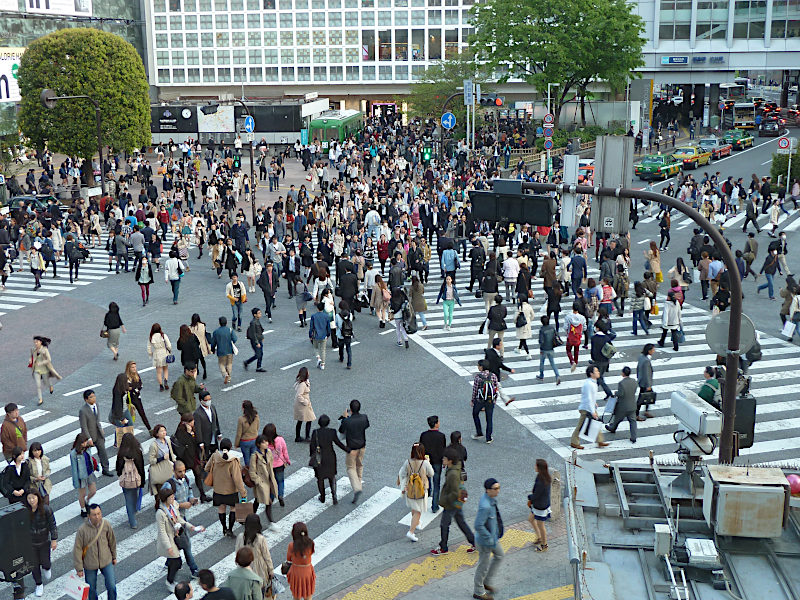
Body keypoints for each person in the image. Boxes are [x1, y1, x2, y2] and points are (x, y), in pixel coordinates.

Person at [156, 486, 204, 592]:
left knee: (175, 561)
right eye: (171, 497)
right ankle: (169, 581)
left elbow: (179, 519)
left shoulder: (173, 506)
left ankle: (171, 579)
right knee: (176, 561)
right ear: (165, 499)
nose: (173, 498)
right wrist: (168, 547)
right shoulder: (160, 513)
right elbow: (162, 532)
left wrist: (191, 527)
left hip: (176, 536)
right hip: (169, 539)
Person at [431, 447, 475, 556]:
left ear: (450, 460)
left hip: (451, 503)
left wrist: (445, 500)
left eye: (444, 458)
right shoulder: (454, 468)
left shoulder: (452, 474)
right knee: (461, 522)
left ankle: (443, 547)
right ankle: (474, 542)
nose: (443, 460)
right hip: (456, 502)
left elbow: (454, 492)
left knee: (444, 525)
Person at [72, 504, 117, 600]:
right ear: (88, 516)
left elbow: (112, 541)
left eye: (99, 514)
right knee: (91, 590)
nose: (97, 517)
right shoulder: (82, 530)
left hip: (106, 560)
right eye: (94, 515)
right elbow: (78, 549)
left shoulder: (106, 524)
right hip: (90, 564)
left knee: (112, 586)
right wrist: (79, 568)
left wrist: (114, 556)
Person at [205, 438, 247, 537]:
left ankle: (224, 528)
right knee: (233, 508)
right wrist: (243, 492)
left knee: (221, 508)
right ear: (230, 447)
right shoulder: (233, 460)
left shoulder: (215, 456)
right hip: (231, 490)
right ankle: (230, 529)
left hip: (218, 489)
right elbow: (237, 479)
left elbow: (207, 468)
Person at [473, 478, 504, 600]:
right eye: (495, 488)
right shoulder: (485, 506)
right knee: (483, 566)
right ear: (488, 490)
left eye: (499, 487)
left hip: (493, 538)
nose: (498, 491)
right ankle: (478, 591)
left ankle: (486, 581)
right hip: (485, 541)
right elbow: (478, 525)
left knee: (500, 555)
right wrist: (489, 538)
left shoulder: (491, 500)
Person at [399, 443, 434, 542]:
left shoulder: (408, 462)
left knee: (414, 507)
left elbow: (402, 474)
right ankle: (411, 531)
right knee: (418, 511)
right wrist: (428, 463)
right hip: (421, 489)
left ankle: (417, 523)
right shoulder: (425, 463)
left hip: (409, 488)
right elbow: (431, 473)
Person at [25, 487, 58, 597]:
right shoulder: (24, 511)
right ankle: (38, 584)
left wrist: (54, 539)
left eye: (33, 498)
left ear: (38, 498)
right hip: (30, 544)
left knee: (45, 562)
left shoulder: (46, 509)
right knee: (34, 566)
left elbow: (53, 525)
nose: (31, 501)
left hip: (44, 542)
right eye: (29, 498)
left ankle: (47, 567)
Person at [309, 414, 347, 504]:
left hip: (320, 458)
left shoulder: (316, 432)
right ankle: (334, 495)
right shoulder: (332, 432)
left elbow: (312, 446)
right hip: (330, 457)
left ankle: (322, 497)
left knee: (320, 478)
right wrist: (347, 449)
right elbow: (338, 443)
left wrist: (312, 455)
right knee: (332, 476)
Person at [569, 366, 609, 450]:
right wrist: (592, 411)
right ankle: (574, 442)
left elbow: (591, 397)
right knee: (581, 426)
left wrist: (594, 403)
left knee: (595, 423)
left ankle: (600, 441)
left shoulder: (593, 382)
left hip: (589, 407)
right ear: (591, 374)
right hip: (586, 408)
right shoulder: (589, 384)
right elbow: (588, 398)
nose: (598, 372)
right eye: (596, 371)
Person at [172, 413, 209, 503]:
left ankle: (202, 495)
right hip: (185, 457)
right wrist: (189, 433)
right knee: (181, 476)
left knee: (198, 474)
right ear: (185, 423)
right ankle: (180, 497)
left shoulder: (193, 428)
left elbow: (195, 441)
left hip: (193, 456)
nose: (193, 423)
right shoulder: (180, 432)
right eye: (191, 422)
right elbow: (187, 443)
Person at [235, 517, 274, 599]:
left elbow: (237, 553)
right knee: (260, 593)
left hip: (244, 570)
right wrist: (271, 570)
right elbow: (266, 556)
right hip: (259, 570)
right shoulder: (260, 539)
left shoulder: (240, 537)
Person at [338, 398, 369, 504]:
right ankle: (358, 484)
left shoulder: (347, 421)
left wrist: (344, 418)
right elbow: (366, 425)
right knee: (359, 465)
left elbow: (341, 430)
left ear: (350, 409)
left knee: (350, 467)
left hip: (351, 448)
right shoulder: (364, 418)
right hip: (362, 445)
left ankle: (357, 488)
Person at [79, 389, 114, 476]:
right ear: (86, 399)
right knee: (85, 453)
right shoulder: (83, 411)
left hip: (98, 434)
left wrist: (100, 428)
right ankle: (84, 469)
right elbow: (84, 426)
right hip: (89, 435)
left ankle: (106, 468)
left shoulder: (96, 405)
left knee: (103, 452)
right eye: (91, 397)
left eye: (94, 396)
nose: (93, 398)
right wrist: (88, 438)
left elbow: (97, 419)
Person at [116, 432, 146, 529]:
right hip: (136, 479)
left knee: (128, 499)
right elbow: (141, 467)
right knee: (135, 496)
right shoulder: (137, 452)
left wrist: (120, 474)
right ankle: (134, 510)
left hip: (126, 480)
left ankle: (132, 522)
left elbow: (118, 467)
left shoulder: (121, 453)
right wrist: (142, 479)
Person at [111, 361, 151, 432]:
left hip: (137, 398)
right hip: (128, 400)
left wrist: (132, 388)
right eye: (132, 367)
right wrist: (133, 388)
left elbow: (140, 386)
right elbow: (127, 388)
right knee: (128, 419)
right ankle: (125, 433)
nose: (134, 369)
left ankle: (149, 429)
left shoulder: (136, 375)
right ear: (128, 368)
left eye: (135, 367)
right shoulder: (124, 377)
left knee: (142, 413)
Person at [249, 435, 280, 526]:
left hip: (269, 480)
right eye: (263, 442)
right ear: (258, 444)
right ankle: (269, 521)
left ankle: (253, 518)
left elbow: (270, 466)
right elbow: (252, 472)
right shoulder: (255, 456)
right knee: (264, 501)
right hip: (261, 482)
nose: (266, 443)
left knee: (262, 501)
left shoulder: (269, 452)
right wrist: (258, 482)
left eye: (266, 441)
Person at [420, 415, 447, 513]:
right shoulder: (441, 436)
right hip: (437, 462)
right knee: (437, 483)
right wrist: (444, 461)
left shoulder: (424, 435)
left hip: (427, 462)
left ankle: (426, 497)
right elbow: (443, 449)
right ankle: (435, 506)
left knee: (427, 481)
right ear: (436, 424)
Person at [605, 366, 639, 443]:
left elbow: (621, 394)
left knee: (617, 419)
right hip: (632, 405)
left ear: (623, 373)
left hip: (623, 406)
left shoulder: (621, 383)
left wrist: (615, 393)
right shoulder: (634, 381)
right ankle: (633, 437)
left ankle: (612, 428)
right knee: (633, 421)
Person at [69, 433, 98, 517]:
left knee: (93, 491)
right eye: (83, 442)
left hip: (89, 472)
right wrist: (75, 481)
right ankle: (83, 509)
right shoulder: (74, 454)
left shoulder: (87, 449)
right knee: (82, 494)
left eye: (85, 441)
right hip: (81, 476)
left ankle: (87, 501)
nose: (85, 444)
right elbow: (74, 469)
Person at [471, 360, 499, 444]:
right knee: (489, 419)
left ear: (482, 367)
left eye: (478, 366)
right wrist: (494, 400)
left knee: (475, 414)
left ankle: (479, 432)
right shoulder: (493, 376)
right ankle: (488, 438)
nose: (478, 367)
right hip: (490, 400)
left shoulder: (478, 377)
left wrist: (473, 400)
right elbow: (496, 389)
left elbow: (475, 390)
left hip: (480, 400)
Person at [286, 522, 316, 600]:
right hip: (307, 571)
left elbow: (289, 559)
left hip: (296, 572)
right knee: (308, 595)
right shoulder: (311, 543)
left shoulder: (291, 545)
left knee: (296, 595)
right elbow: (311, 553)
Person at [149, 424, 177, 506]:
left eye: (164, 430)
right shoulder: (154, 445)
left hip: (168, 468)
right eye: (161, 431)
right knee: (160, 490)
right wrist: (161, 458)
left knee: (170, 487)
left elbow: (171, 452)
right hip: (159, 470)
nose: (164, 432)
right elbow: (151, 460)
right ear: (157, 434)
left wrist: (174, 462)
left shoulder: (167, 440)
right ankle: (159, 505)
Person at [527, 460, 551, 552]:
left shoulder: (542, 481)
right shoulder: (544, 477)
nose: (534, 467)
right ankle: (539, 537)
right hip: (539, 504)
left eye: (536, 466)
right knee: (531, 519)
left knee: (541, 526)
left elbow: (536, 494)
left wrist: (529, 497)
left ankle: (544, 545)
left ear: (539, 468)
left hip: (540, 506)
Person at [30, 335, 61, 405]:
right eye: (34, 342)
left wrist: (41, 363)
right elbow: (32, 357)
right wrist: (30, 361)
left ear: (40, 342)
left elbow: (49, 359)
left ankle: (50, 386)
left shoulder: (45, 350)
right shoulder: (33, 349)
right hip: (36, 370)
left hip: (44, 369)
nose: (35, 343)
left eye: (37, 342)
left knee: (46, 382)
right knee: (38, 385)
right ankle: (40, 399)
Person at [194, 389, 222, 460]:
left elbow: (216, 421)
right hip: (205, 440)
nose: (208, 401)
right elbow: (198, 429)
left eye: (210, 399)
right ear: (201, 400)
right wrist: (200, 442)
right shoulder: (197, 413)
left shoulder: (212, 407)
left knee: (216, 455)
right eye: (206, 400)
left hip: (214, 437)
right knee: (207, 458)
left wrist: (219, 433)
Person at [211, 316, 238, 384]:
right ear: (226, 322)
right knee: (229, 364)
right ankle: (229, 377)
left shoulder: (216, 332)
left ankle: (225, 374)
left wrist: (212, 350)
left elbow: (213, 343)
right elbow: (235, 339)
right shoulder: (230, 330)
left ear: (219, 323)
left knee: (221, 364)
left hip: (221, 351)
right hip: (229, 350)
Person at [147, 323, 173, 392]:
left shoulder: (151, 337)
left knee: (158, 372)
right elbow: (169, 345)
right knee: (165, 369)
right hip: (164, 353)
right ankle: (166, 381)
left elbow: (149, 347)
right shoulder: (163, 335)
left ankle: (161, 385)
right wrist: (169, 350)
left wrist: (150, 354)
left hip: (157, 354)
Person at [293, 367, 316, 442]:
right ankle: (307, 436)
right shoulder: (302, 384)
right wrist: (305, 401)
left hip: (302, 404)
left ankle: (298, 436)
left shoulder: (303, 381)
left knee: (301, 419)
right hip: (303, 404)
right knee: (309, 418)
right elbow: (299, 395)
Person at [536, 315, 561, 384]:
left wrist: (540, 344)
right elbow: (556, 336)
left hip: (544, 349)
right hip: (551, 348)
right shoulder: (552, 328)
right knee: (552, 363)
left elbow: (541, 341)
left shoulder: (542, 329)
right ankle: (557, 375)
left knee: (542, 362)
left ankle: (541, 375)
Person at [235, 400, 260, 467]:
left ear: (243, 408)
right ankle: (254, 471)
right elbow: (257, 427)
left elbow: (239, 433)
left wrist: (236, 444)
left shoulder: (241, 419)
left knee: (247, 459)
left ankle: (249, 473)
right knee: (254, 458)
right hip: (254, 439)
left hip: (245, 441)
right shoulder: (256, 417)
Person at [243, 308, 267, 372]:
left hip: (259, 339)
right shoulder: (253, 322)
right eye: (259, 313)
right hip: (255, 341)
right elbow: (253, 333)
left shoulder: (257, 320)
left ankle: (259, 367)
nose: (260, 314)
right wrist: (257, 342)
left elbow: (259, 330)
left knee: (260, 353)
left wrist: (262, 337)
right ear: (254, 315)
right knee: (258, 354)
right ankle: (247, 362)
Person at [636, 344, 656, 421]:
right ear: (649, 351)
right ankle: (636, 414)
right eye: (653, 350)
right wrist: (648, 385)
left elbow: (638, 368)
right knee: (642, 399)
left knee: (648, 396)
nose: (654, 351)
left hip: (641, 381)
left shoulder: (641, 357)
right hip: (645, 383)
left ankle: (646, 411)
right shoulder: (646, 360)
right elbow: (647, 373)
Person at [309, 302, 331, 369]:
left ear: (317, 308)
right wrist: (328, 334)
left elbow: (311, 327)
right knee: (323, 350)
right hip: (324, 335)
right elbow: (328, 327)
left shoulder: (314, 316)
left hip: (316, 335)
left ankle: (318, 357)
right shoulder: (326, 316)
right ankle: (323, 364)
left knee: (315, 347)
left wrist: (310, 335)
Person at [190, 313, 212, 380]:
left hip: (194, 346)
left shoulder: (190, 328)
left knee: (195, 360)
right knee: (202, 359)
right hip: (202, 345)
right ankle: (204, 371)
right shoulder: (203, 325)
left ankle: (197, 370)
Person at [335, 300, 355, 369]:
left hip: (340, 334)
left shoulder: (338, 315)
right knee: (348, 348)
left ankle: (341, 357)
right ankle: (349, 363)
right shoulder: (350, 315)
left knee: (341, 347)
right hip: (348, 334)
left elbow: (336, 324)